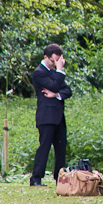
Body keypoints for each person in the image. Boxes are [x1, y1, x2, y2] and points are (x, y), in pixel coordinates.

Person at [30, 43, 72, 187]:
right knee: (45, 147)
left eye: (58, 61)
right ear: (46, 57)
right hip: (46, 116)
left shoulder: (55, 73)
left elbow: (67, 90)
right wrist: (59, 72)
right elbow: (54, 85)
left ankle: (59, 177)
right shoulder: (39, 72)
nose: (56, 64)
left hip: (58, 116)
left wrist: (57, 94)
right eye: (54, 61)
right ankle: (36, 178)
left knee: (61, 148)